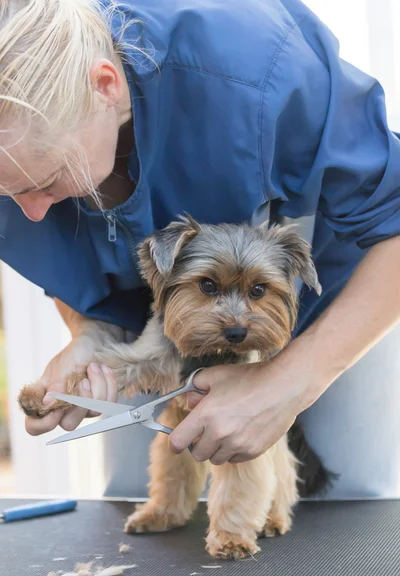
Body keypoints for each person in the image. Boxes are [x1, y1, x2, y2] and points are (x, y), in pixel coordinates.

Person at [1, 0, 400, 496]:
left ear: (105, 85)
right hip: (153, 336)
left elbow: (395, 217)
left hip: (339, 295)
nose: (33, 212)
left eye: (51, 179)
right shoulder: (22, 161)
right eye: (9, 193)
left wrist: (292, 380)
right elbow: (59, 253)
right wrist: (89, 333)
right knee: (137, 501)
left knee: (349, 506)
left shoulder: (257, 67)